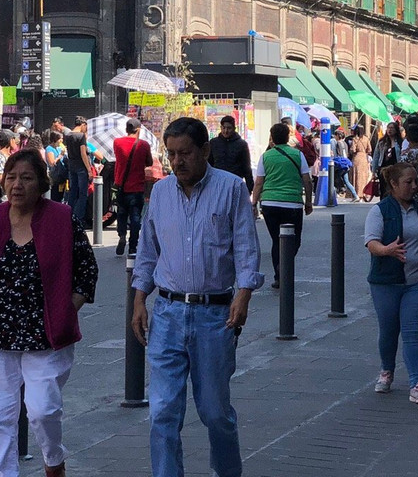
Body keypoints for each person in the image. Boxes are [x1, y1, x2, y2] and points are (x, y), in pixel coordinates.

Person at [131, 117, 264, 477]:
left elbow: (246, 248)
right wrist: (139, 300)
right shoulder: (160, 193)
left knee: (215, 412)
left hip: (213, 315)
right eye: (171, 154)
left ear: (205, 150)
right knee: (162, 411)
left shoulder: (231, 189)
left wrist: (244, 294)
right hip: (168, 313)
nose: (177, 162)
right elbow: (147, 252)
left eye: (185, 153)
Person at [0, 148, 98, 477]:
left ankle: (54, 460)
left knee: (42, 410)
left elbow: (87, 272)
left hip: (47, 337)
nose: (17, 185)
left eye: (26, 178)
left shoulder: (60, 218)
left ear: (41, 182)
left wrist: (67, 308)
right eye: (11, 177)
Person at [364, 162, 418, 405]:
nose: (414, 187)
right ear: (393, 184)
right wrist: (386, 250)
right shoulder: (380, 211)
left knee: (414, 334)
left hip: (417, 283)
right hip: (386, 283)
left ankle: (416, 384)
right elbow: (371, 243)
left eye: (415, 182)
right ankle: (387, 370)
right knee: (389, 331)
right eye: (408, 182)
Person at [250, 122, 313, 290]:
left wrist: (254, 202)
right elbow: (307, 180)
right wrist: (308, 201)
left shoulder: (265, 157)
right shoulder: (298, 155)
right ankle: (284, 267)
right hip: (292, 203)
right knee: (294, 240)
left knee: (276, 240)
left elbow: (259, 182)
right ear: (287, 137)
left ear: (272, 138)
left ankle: (279, 274)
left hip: (269, 203)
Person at [113, 118, 154, 257]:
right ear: (138, 130)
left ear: (126, 129)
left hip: (121, 186)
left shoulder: (117, 142)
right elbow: (149, 162)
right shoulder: (143, 145)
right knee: (136, 217)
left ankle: (122, 235)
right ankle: (133, 246)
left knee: (121, 213)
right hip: (137, 187)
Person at [208, 116, 254, 193]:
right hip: (216, 185)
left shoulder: (241, 145)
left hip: (234, 185)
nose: (226, 131)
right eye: (224, 128)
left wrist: (249, 188)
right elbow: (208, 164)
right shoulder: (213, 143)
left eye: (229, 128)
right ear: (221, 128)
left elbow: (246, 168)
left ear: (234, 128)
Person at [62, 118, 92, 226]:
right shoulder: (81, 136)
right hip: (81, 167)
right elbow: (83, 154)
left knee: (72, 192)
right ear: (83, 124)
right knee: (83, 193)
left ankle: (69, 216)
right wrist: (89, 169)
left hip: (72, 166)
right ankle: (79, 217)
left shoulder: (68, 135)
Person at [350, 125, 373, 198]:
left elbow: (353, 149)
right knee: (364, 176)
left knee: (356, 175)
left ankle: (357, 192)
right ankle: (364, 193)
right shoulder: (366, 139)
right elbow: (370, 150)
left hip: (357, 157)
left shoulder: (355, 139)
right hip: (364, 158)